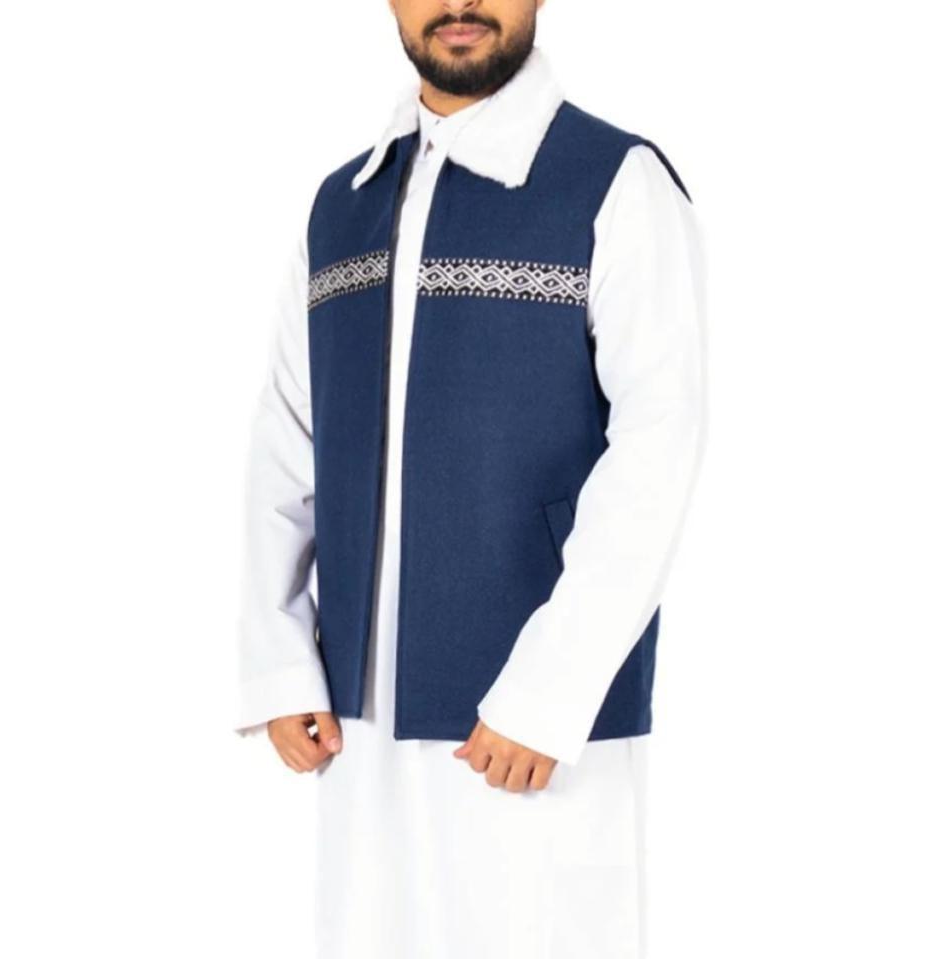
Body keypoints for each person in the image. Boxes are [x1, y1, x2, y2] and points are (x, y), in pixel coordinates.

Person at [234, 2, 707, 956]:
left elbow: (660, 446)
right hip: (357, 718)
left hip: (536, 731)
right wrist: (279, 661)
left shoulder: (615, 181)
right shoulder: (342, 205)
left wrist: (551, 690)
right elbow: (288, 438)